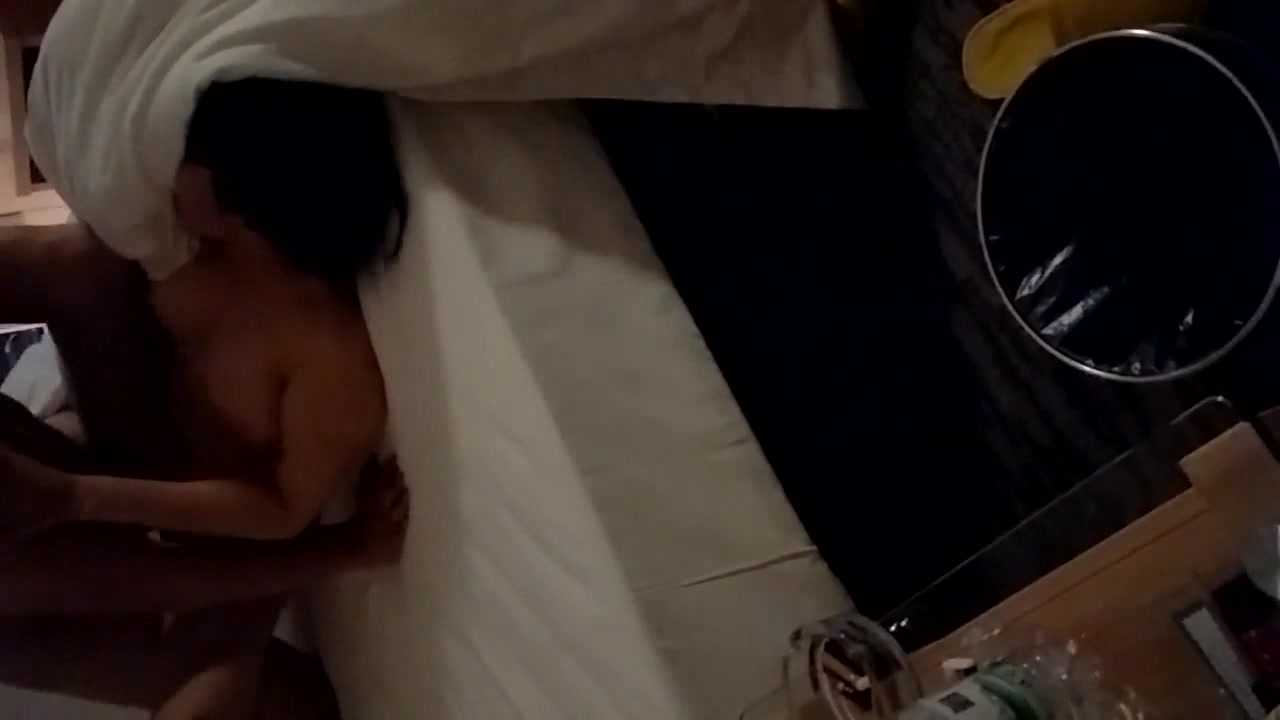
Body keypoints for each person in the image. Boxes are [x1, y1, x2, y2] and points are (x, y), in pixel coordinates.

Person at [0, 15, 411, 720]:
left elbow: (280, 510)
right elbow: (97, 573)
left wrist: (76, 493)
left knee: (261, 684)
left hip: (192, 500)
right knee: (269, 696)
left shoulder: (313, 347)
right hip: (112, 528)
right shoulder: (210, 264)